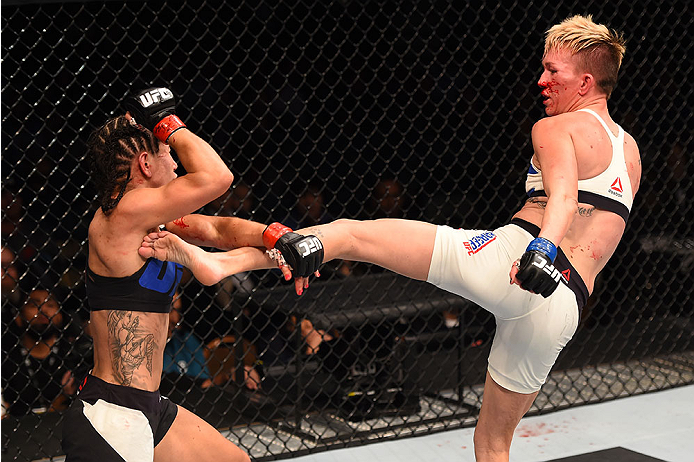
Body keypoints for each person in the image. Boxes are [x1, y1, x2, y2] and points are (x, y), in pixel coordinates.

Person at [139, 15, 640, 461]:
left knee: (351, 234)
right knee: (494, 446)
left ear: (586, 80)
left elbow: (563, 198)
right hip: (564, 307)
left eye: (553, 70)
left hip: (516, 261)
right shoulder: (630, 151)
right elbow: (591, 218)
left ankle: (222, 265)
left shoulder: (557, 128)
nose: (541, 80)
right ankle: (220, 261)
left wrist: (541, 249)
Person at [60, 87, 316, 462]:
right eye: (168, 154)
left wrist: (276, 236)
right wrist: (169, 125)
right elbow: (216, 177)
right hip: (112, 415)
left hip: (149, 407)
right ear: (145, 164)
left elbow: (217, 230)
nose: (178, 164)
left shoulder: (148, 219)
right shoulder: (119, 216)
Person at [1, 289, 78, 416]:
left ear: (60, 315)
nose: (43, 310)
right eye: (34, 305)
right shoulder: (7, 358)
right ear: (18, 317)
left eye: (50, 305)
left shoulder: (73, 353)